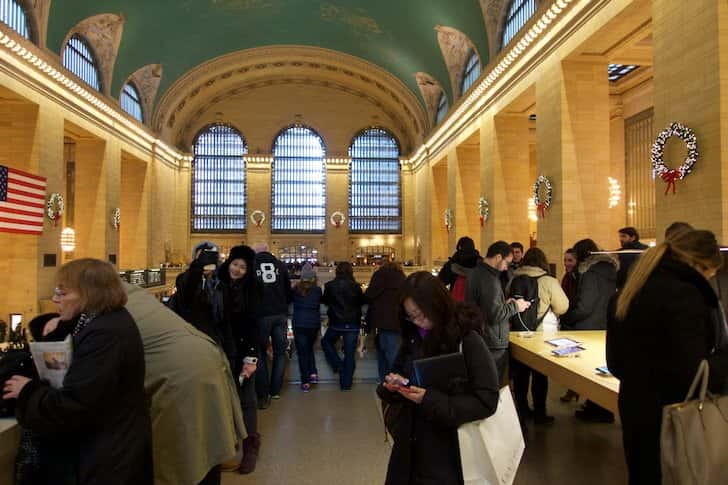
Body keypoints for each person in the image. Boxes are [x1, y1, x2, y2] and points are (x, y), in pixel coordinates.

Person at [3, 259, 153, 485]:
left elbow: (77, 404)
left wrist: (27, 391)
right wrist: (59, 324)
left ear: (88, 295)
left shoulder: (105, 334)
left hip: (106, 461)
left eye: (62, 293)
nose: (54, 299)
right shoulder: (102, 322)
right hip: (111, 452)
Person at [607, 229, 728, 485]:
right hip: (671, 415)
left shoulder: (630, 289)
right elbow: (691, 373)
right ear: (698, 264)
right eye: (710, 273)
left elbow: (615, 362)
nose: (710, 279)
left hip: (635, 407)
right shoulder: (685, 296)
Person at [377, 272, 500, 485]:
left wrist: (430, 400)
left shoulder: (467, 339)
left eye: (421, 314)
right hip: (409, 447)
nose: (418, 321)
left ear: (438, 304)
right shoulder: (413, 337)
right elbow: (400, 374)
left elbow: (486, 400)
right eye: (411, 316)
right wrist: (392, 387)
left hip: (448, 451)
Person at [124, 283, 246, 485]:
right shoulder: (141, 303)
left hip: (186, 378)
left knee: (185, 447)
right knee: (207, 440)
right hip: (207, 361)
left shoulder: (111, 314)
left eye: (63, 293)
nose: (57, 299)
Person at [508, 248, 569, 424]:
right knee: (540, 375)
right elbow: (562, 306)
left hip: (518, 333)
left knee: (520, 374)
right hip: (541, 335)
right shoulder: (549, 281)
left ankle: (522, 409)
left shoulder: (515, 278)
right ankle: (540, 413)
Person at [560, 239, 618, 422]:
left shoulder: (592, 274)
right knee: (599, 370)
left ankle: (597, 410)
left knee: (590, 372)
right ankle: (599, 406)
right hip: (604, 324)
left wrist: (568, 318)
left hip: (589, 326)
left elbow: (586, 305)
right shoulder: (609, 271)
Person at [217, 245, 262, 474]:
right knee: (223, 400)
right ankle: (226, 447)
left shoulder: (251, 290)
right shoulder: (217, 284)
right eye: (235, 264)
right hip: (221, 351)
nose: (237, 269)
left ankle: (250, 448)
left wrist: (251, 357)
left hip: (244, 352)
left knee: (247, 401)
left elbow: (255, 323)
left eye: (242, 267)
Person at [466, 241, 530, 381]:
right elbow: (495, 315)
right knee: (493, 384)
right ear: (498, 257)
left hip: (480, 336)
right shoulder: (490, 280)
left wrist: (503, 304)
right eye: (507, 262)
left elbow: (483, 306)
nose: (507, 268)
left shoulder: (475, 273)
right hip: (492, 341)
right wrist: (516, 306)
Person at [172, 241, 236, 370]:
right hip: (190, 346)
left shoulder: (221, 286)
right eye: (201, 258)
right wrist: (197, 268)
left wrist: (231, 353)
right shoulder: (185, 279)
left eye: (210, 258)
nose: (205, 262)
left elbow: (226, 321)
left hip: (215, 345)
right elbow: (187, 290)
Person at [253, 243, 293, 409]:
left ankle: (263, 393)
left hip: (261, 315)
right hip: (280, 314)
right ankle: (275, 390)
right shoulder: (280, 265)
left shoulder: (252, 265)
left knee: (260, 352)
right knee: (280, 352)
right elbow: (288, 290)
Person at [321, 262, 366, 390]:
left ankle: (338, 365)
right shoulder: (356, 287)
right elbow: (362, 301)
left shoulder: (330, 286)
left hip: (336, 323)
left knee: (326, 342)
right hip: (352, 323)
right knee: (350, 354)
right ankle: (346, 385)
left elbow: (325, 301)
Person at [365, 261, 406, 382]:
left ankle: (386, 383)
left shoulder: (379, 275)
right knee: (394, 356)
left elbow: (368, 295)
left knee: (382, 356)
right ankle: (394, 383)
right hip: (397, 322)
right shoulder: (402, 278)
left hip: (379, 321)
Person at [292, 263, 323, 392]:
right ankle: (313, 374)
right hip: (313, 324)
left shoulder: (295, 289)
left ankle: (305, 382)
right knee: (309, 349)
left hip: (299, 324)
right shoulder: (317, 290)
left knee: (302, 353)